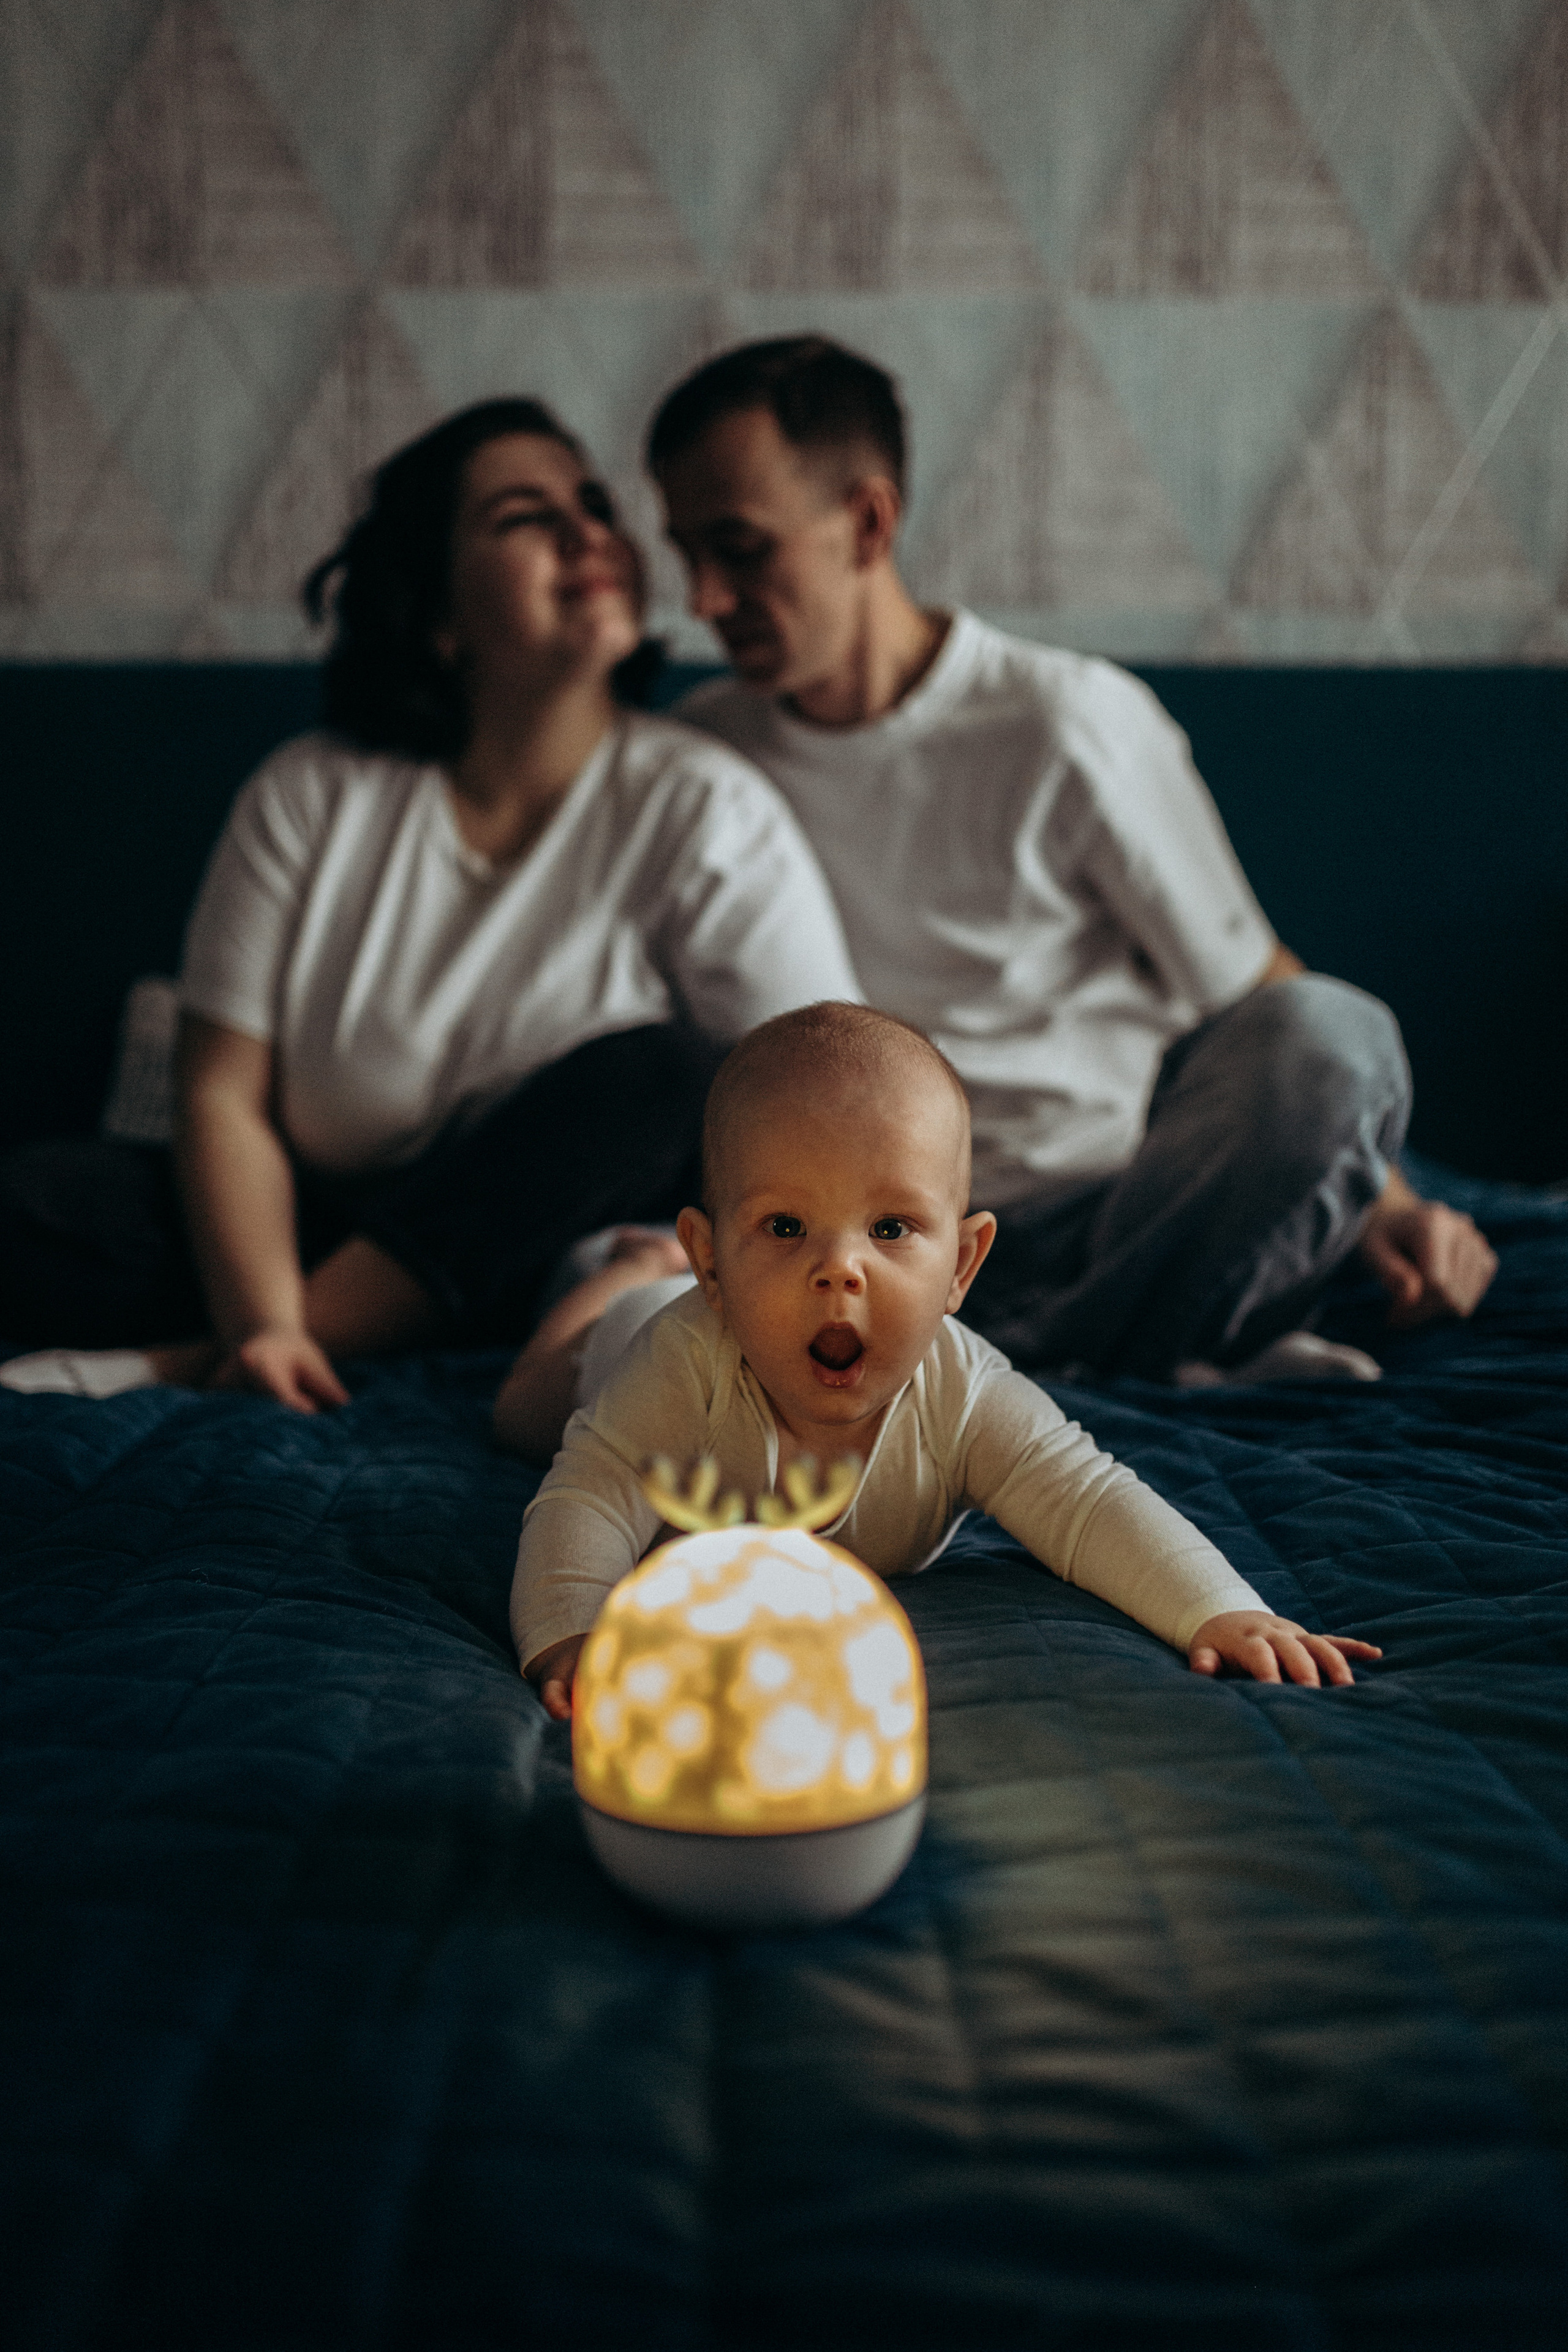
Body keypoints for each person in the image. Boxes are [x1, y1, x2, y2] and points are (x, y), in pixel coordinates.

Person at [637, 336, 1497, 1383]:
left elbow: (1252, 987)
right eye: (689, 557)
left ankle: (1018, 1373)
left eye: (739, 550)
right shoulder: (706, 754)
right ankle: (1144, 1362)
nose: (706, 601)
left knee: (1336, 1034)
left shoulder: (1064, 722)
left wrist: (1387, 1205)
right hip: (860, 1243)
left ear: (867, 521)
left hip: (1120, 1216)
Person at [0, 398, 859, 1408]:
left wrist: (270, 1336)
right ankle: (290, 1339)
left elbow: (834, 1101)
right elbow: (220, 1093)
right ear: (442, 611)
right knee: (42, 1205)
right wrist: (261, 1318)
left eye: (593, 502)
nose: (590, 531)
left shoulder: (705, 804)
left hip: (542, 1259)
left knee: (669, 1077)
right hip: (297, 1233)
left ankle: (195, 1365)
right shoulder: (313, 792)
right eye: (523, 516)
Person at [511, 1003, 1380, 1718]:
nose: (840, 1269)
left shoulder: (963, 1393)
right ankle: (632, 1266)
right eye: (785, 1227)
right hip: (627, 1331)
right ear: (715, 1260)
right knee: (520, 1413)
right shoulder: (683, 1362)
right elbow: (591, 1495)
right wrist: (573, 1637)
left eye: (890, 1229)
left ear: (963, 1265)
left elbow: (1089, 1500)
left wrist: (1223, 1609)